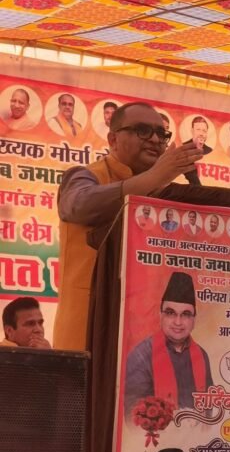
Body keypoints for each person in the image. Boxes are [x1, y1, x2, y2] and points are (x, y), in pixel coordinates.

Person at [56, 102, 202, 350]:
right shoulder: (84, 176)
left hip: (142, 331)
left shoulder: (163, 193)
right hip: (87, 328)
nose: (155, 139)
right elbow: (78, 206)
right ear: (113, 139)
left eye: (161, 134)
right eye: (143, 131)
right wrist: (154, 177)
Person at [124, 272, 214, 413]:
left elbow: (209, 407)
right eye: (171, 313)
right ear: (160, 316)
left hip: (197, 427)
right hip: (161, 428)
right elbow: (133, 416)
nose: (178, 322)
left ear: (194, 320)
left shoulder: (202, 356)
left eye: (185, 314)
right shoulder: (140, 356)